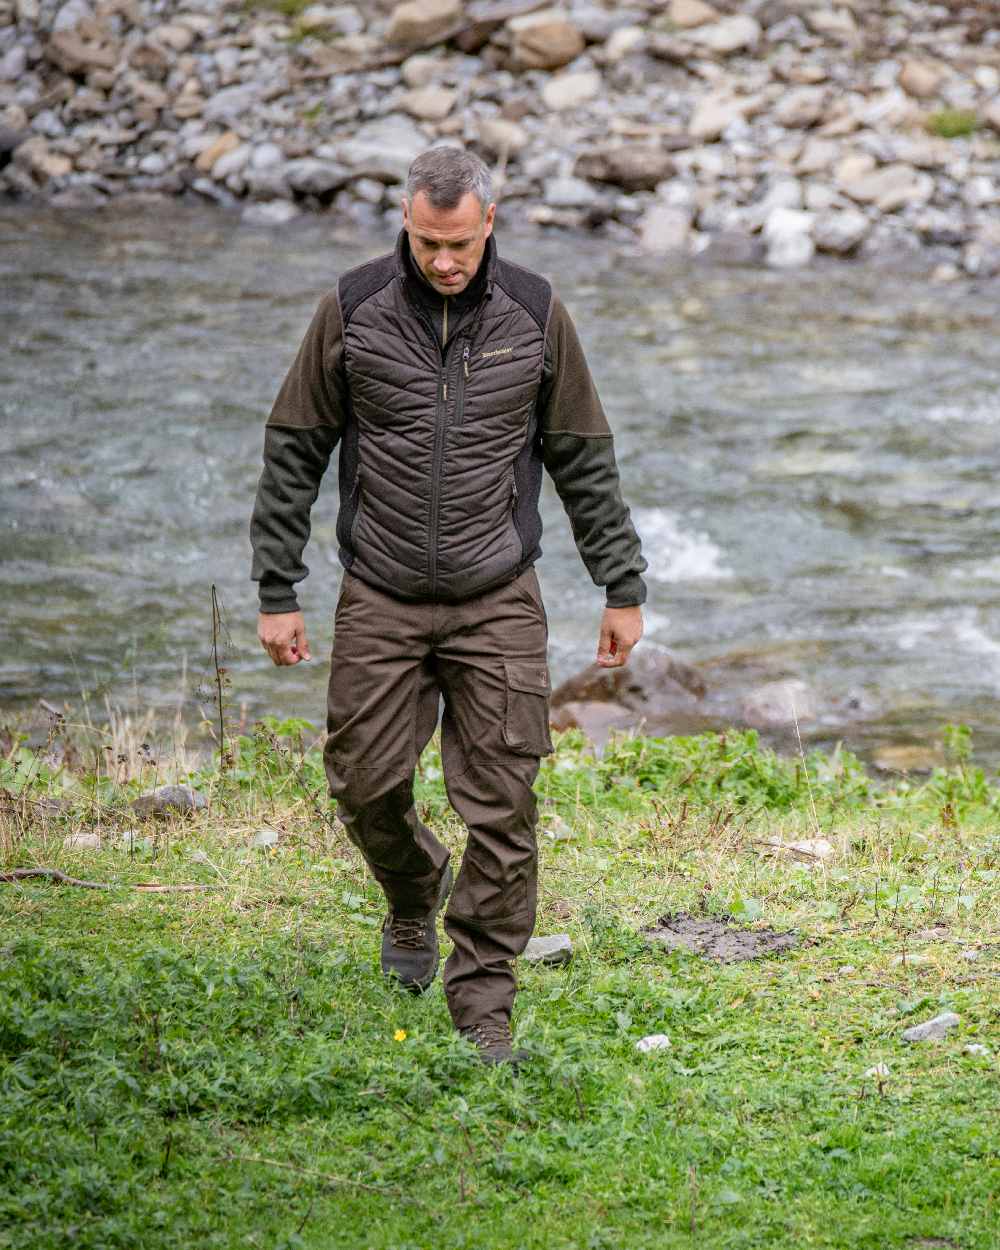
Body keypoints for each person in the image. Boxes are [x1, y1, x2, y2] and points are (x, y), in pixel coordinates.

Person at [250, 146, 646, 1066]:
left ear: (489, 222)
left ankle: (483, 1004)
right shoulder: (351, 310)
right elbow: (294, 451)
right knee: (364, 784)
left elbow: (584, 459)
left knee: (502, 805)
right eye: (428, 242)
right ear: (404, 220)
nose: (443, 261)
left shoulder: (537, 314)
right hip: (380, 593)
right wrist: (278, 589)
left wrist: (620, 586)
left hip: (496, 596)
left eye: (459, 242)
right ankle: (412, 889)